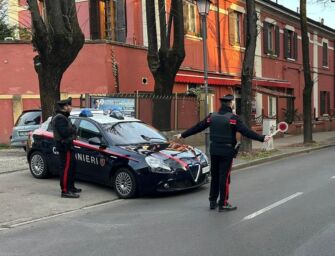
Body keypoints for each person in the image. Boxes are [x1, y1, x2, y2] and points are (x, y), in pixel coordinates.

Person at [175, 94, 270, 212]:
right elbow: (246, 132)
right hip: (226, 152)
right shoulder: (233, 118)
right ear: (231, 103)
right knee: (224, 178)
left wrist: (183, 135)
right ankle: (223, 203)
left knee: (215, 176)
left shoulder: (212, 117)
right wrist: (262, 138)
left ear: (222, 104)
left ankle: (212, 201)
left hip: (214, 150)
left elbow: (198, 127)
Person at [52, 97, 81, 198]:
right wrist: (73, 129)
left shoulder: (64, 117)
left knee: (72, 167)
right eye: (69, 105)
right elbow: (65, 132)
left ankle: (71, 187)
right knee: (66, 168)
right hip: (64, 146)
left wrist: (72, 129)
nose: (71, 107)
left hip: (68, 145)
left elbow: (72, 130)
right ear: (65, 107)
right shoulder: (60, 118)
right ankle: (65, 190)